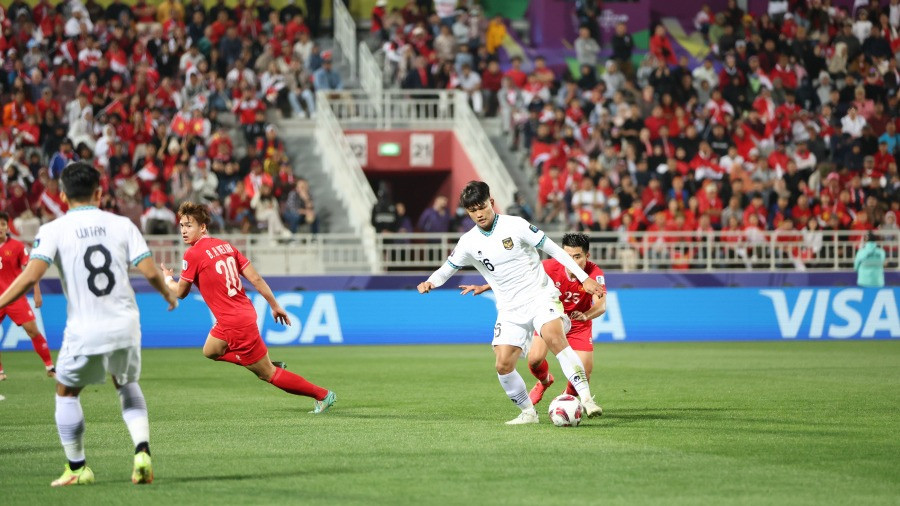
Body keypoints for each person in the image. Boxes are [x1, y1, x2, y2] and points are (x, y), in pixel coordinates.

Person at [0, 162, 178, 486]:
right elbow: (150, 270)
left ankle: (77, 468)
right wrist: (168, 293)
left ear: (64, 195)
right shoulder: (122, 224)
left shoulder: (53, 230)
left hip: (85, 327)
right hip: (126, 322)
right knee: (125, 383)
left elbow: (32, 276)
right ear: (100, 191)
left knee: (66, 392)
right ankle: (141, 451)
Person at [417, 181, 604, 424]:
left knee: (554, 337)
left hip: (540, 296)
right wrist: (431, 281)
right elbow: (449, 268)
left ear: (491, 203)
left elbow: (555, 250)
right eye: (472, 210)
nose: (479, 214)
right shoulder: (468, 242)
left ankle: (587, 400)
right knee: (503, 364)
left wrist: (584, 278)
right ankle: (528, 413)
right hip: (509, 307)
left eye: (482, 207)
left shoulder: (516, 225)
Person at [161, 202, 335, 413]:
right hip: (241, 313)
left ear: (203, 227)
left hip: (234, 322)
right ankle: (259, 361)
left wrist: (168, 279)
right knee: (210, 350)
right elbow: (256, 278)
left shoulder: (193, 254)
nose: (184, 231)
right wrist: (274, 305)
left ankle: (322, 394)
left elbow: (180, 292)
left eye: (189, 225)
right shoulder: (226, 247)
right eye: (181, 226)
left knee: (267, 374)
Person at [460, 232, 606, 406]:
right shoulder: (549, 267)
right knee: (535, 360)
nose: (572, 262)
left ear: (587, 256)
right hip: (549, 317)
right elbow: (518, 278)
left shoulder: (594, 273)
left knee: (584, 373)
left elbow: (601, 305)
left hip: (579, 323)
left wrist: (586, 315)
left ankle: (565, 400)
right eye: (568, 257)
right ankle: (545, 381)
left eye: (578, 257)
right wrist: (485, 286)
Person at [0, 211, 55, 381]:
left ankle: (50, 366)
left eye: (2, 225)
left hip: (15, 296)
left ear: (7, 226)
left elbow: (30, 269)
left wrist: (37, 293)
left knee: (32, 330)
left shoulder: (17, 246)